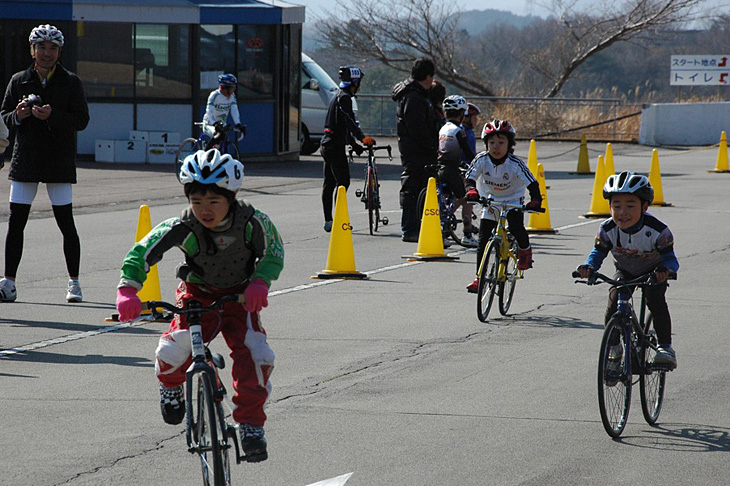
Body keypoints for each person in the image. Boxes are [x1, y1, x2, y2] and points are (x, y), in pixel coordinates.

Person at [116, 148, 284, 462]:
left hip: (240, 298)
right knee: (172, 350)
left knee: (257, 355)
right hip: (196, 296)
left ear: (231, 197)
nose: (204, 210)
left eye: (213, 201)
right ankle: (171, 386)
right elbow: (143, 250)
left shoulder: (253, 222)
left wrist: (261, 281)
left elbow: (273, 252)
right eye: (196, 201)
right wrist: (128, 289)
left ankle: (250, 424)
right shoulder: (182, 225)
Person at [0, 24, 89, 303]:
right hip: (26, 158)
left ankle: (74, 282)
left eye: (52, 48)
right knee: (16, 222)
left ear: (60, 51)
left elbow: (82, 120)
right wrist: (18, 115)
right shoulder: (19, 80)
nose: (46, 53)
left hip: (58, 160)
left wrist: (52, 115)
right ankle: (9, 282)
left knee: (65, 222)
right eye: (41, 47)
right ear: (32, 50)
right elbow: (3, 115)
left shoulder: (71, 82)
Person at [576, 171, 679, 368]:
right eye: (616, 206)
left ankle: (665, 347)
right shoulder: (607, 229)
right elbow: (598, 253)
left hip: (653, 271)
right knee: (613, 303)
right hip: (625, 270)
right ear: (609, 207)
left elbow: (670, 258)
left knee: (656, 301)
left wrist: (667, 270)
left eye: (630, 206)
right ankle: (614, 347)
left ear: (645, 207)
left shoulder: (659, 230)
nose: (622, 212)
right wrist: (589, 267)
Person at [464, 119, 541, 293]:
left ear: (509, 144)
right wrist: (471, 191)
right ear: (486, 144)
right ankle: (479, 277)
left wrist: (536, 200)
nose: (496, 147)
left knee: (516, 227)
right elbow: (469, 178)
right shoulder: (481, 159)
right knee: (483, 239)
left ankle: (525, 250)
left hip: (513, 199)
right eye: (491, 143)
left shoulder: (515, 164)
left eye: (501, 143)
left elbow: (532, 184)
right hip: (490, 200)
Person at [320, 65, 376, 232]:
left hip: (327, 144)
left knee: (329, 184)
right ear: (355, 83)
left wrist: (354, 144)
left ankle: (329, 221)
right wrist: (362, 138)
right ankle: (339, 220)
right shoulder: (345, 98)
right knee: (343, 182)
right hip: (334, 147)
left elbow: (341, 126)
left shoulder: (337, 95)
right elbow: (349, 121)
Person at [392, 58, 439, 242]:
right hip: (416, 150)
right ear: (427, 76)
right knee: (413, 187)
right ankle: (410, 229)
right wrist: (431, 145)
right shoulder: (413, 97)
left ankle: (418, 227)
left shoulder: (416, 94)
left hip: (417, 149)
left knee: (420, 187)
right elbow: (417, 128)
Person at [437, 95, 477, 247]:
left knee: (447, 198)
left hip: (440, 168)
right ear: (461, 114)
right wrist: (476, 163)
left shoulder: (443, 128)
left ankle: (444, 229)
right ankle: (467, 234)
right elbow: (467, 151)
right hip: (452, 169)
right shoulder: (459, 131)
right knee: (466, 197)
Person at [202, 73, 245, 151]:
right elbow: (209, 111)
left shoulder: (232, 97)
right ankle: (205, 154)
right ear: (225, 87)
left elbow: (234, 111)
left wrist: (238, 124)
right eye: (232, 88)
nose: (233, 91)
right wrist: (214, 123)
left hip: (221, 125)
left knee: (223, 138)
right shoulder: (214, 95)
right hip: (209, 124)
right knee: (218, 135)